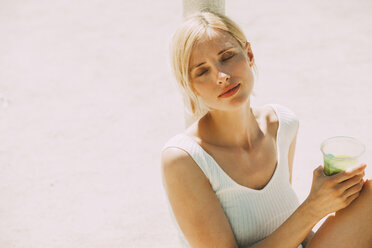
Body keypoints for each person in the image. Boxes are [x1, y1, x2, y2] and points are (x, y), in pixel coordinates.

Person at [161, 11, 372, 248]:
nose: (221, 76)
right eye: (202, 71)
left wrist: (334, 207)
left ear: (249, 54)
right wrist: (315, 207)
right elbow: (301, 218)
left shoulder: (283, 124)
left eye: (227, 56)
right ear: (192, 88)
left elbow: (289, 227)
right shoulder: (184, 159)